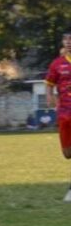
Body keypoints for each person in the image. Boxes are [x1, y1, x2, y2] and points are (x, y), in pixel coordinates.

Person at [44, 30, 71, 202]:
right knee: (67, 154)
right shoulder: (57, 64)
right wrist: (49, 97)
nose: (69, 42)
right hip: (65, 113)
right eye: (67, 40)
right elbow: (49, 84)